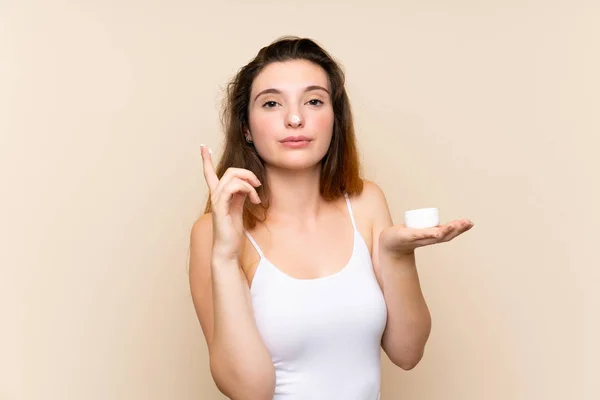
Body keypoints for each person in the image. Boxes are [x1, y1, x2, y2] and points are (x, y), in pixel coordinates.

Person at [189, 36, 474, 400]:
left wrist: (396, 254)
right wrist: (226, 257)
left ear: (335, 119)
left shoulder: (367, 202)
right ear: (245, 127)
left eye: (313, 101)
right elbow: (249, 392)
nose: (295, 118)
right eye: (272, 103)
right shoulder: (212, 234)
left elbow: (408, 353)